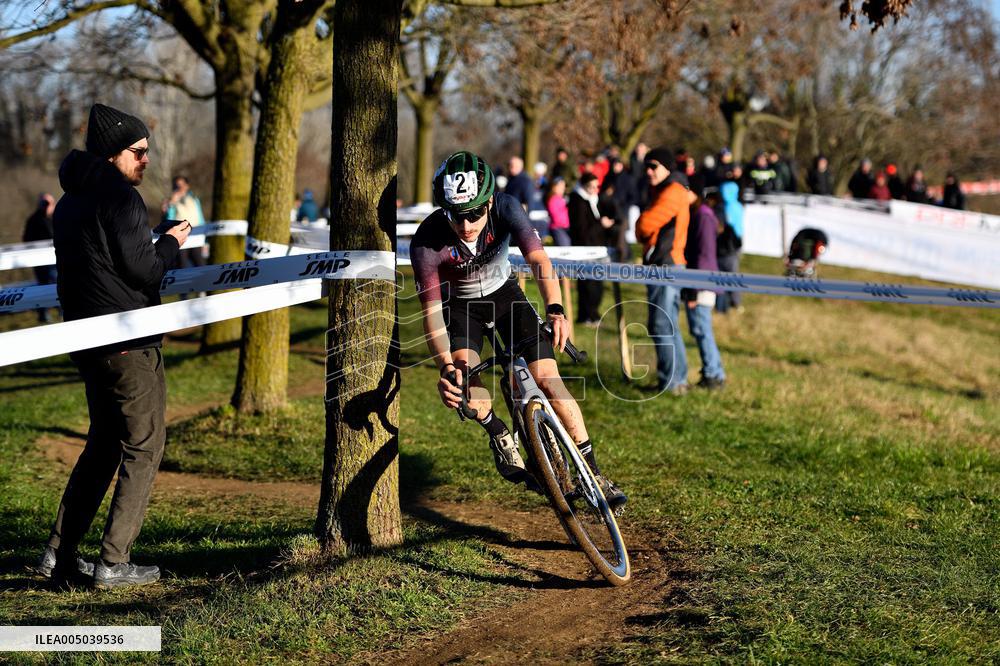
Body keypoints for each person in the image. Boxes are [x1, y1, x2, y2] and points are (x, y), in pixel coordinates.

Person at [410, 150, 626, 507]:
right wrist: (446, 369)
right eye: (456, 215)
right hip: (463, 310)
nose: (466, 225)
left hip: (507, 296)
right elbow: (432, 316)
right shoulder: (426, 241)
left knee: (548, 379)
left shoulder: (506, 207)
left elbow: (539, 261)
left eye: (475, 213)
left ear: (490, 201)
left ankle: (594, 474)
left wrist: (556, 310)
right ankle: (498, 431)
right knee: (466, 379)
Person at [39, 103, 191, 589]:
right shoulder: (122, 200)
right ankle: (113, 561)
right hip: (127, 341)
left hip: (86, 341)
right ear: (112, 153)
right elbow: (144, 270)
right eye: (139, 152)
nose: (146, 160)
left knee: (102, 445)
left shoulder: (68, 202)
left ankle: (56, 554)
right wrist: (168, 243)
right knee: (144, 446)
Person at [635, 147, 693, 394]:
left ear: (668, 167)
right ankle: (676, 380)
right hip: (663, 264)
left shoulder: (672, 192)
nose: (649, 171)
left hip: (666, 265)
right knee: (667, 323)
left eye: (654, 166)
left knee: (661, 324)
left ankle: (670, 382)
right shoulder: (663, 190)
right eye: (646, 166)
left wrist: (641, 223)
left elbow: (644, 225)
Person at [683, 189, 726, 389]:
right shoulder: (704, 215)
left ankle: (712, 373)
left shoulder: (702, 216)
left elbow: (702, 255)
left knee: (701, 329)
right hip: (703, 281)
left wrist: (693, 289)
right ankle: (714, 371)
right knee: (702, 329)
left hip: (701, 283)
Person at [567, 173, 606, 325]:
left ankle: (593, 314)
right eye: (591, 187)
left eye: (597, 186)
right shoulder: (577, 201)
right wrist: (600, 224)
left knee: (596, 283)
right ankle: (587, 315)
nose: (595, 189)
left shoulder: (593, 199)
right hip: (584, 248)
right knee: (587, 284)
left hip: (594, 247)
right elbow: (581, 228)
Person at [22, 193, 58, 323]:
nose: (47, 206)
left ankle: (61, 310)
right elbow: (26, 240)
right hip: (40, 262)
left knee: (59, 283)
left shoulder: (59, 216)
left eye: (49, 203)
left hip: (58, 259)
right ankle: (43, 314)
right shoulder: (33, 220)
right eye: (44, 203)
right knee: (42, 286)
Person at [162, 175, 206, 270]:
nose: (180, 188)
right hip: (181, 237)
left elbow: (200, 219)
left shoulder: (194, 199)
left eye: (181, 185)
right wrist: (171, 205)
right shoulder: (170, 202)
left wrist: (205, 240)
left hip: (196, 236)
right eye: (177, 186)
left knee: (200, 264)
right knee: (182, 265)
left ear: (187, 186)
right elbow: (169, 219)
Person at [716, 174, 744, 314]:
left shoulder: (724, 208)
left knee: (729, 274)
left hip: (729, 244)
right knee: (731, 273)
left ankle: (733, 301)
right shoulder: (738, 206)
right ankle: (730, 301)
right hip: (735, 244)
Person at [544, 177, 571, 247]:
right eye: (560, 186)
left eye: (563, 187)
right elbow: (555, 217)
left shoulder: (562, 199)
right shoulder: (553, 200)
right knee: (564, 246)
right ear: (553, 187)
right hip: (558, 228)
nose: (562, 189)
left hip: (564, 227)